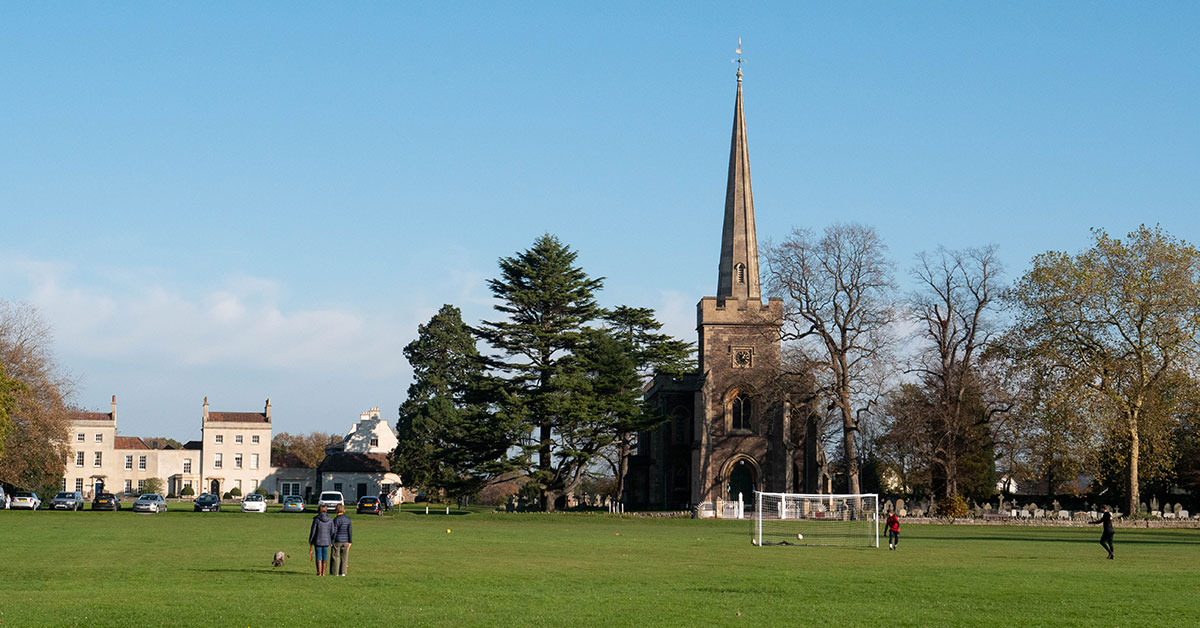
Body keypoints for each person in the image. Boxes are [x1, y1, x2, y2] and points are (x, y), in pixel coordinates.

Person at [309, 504, 335, 576]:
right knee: (325, 556)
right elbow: (332, 531)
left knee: (318, 556)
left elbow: (313, 531)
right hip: (327, 541)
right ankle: (323, 572)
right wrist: (331, 541)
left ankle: (319, 572)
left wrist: (311, 540)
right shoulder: (330, 520)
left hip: (318, 540)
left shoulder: (316, 519)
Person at [330, 503, 353, 576]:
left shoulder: (336, 519)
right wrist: (350, 541)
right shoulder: (348, 519)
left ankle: (334, 572)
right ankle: (343, 572)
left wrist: (332, 541)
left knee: (335, 557)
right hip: (345, 541)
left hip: (337, 540)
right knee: (344, 557)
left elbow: (334, 531)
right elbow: (350, 531)